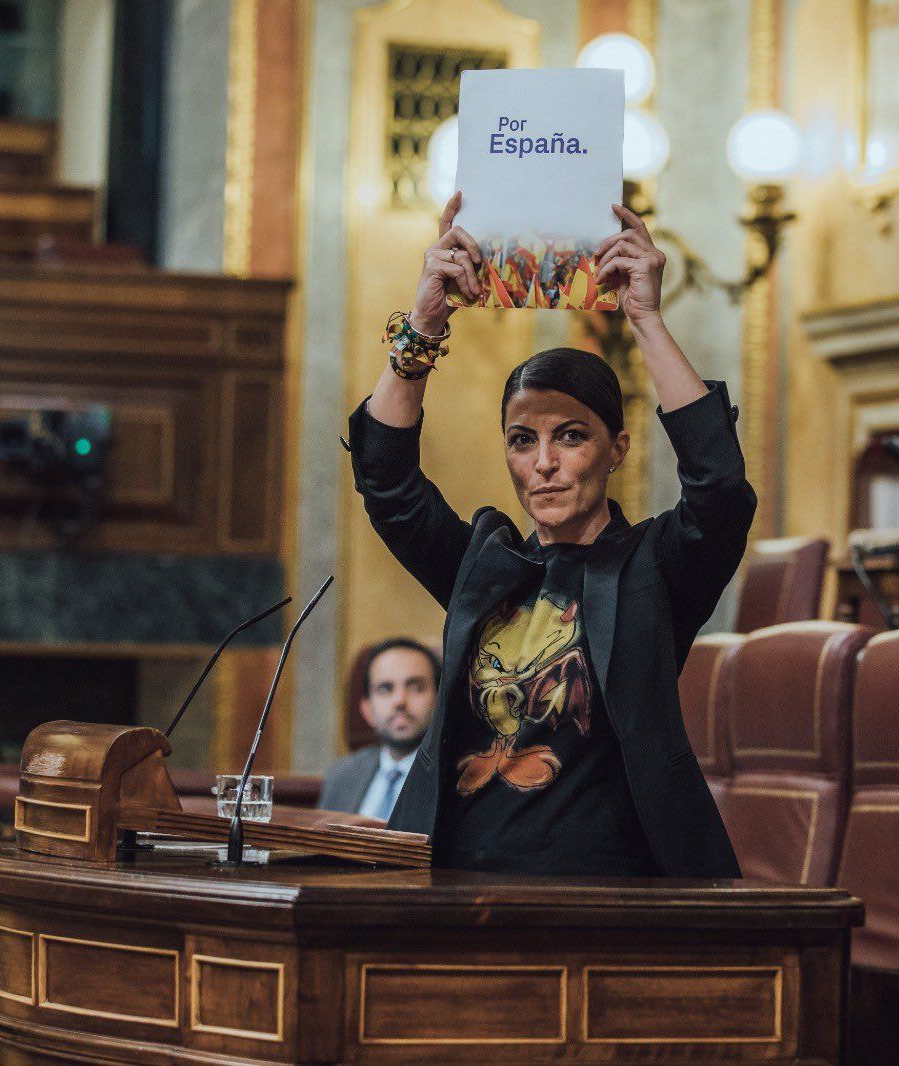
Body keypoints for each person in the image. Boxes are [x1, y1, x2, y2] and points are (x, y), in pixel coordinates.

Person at [345, 192, 755, 878]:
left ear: (616, 448)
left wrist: (647, 318)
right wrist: (424, 321)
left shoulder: (654, 567)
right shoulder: (483, 564)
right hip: (448, 883)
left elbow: (719, 489)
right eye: (522, 440)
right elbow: (385, 482)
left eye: (570, 437)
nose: (544, 463)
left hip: (602, 892)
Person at [317, 638, 440, 820]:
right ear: (367, 710)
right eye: (385, 689)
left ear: (440, 700)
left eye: (415, 687)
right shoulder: (341, 775)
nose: (399, 700)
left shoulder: (460, 780)